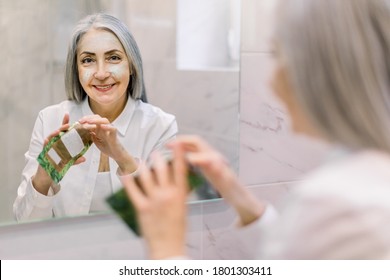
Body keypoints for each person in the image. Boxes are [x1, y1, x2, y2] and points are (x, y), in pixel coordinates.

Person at [121, 0, 390, 259]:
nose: (271, 81)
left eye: (277, 55)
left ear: (320, 69)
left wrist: (166, 249)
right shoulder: (362, 179)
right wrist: (243, 202)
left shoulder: (335, 201)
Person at [14, 13, 177, 221]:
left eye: (114, 58)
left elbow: (164, 223)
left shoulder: (160, 126)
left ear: (132, 65)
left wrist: (122, 157)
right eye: (88, 60)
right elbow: (24, 225)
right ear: (77, 69)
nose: (101, 73)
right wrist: (45, 174)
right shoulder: (50, 119)